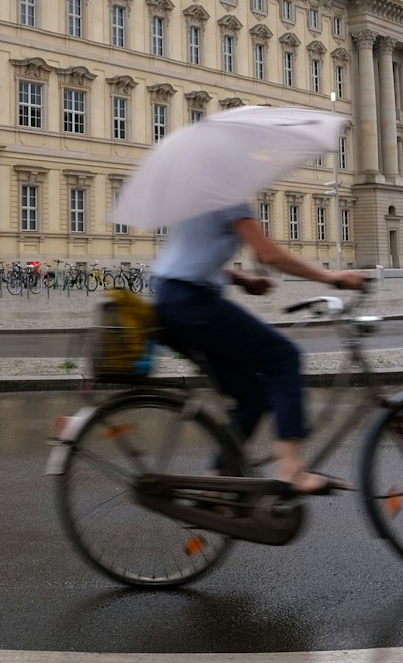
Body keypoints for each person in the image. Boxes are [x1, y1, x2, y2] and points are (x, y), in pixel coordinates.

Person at [150, 202, 366, 495]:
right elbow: (267, 253)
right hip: (194, 304)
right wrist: (331, 277)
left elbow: (192, 260)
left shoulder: (197, 195)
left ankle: (218, 479)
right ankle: (291, 470)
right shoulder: (228, 192)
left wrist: (242, 279)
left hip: (169, 303)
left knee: (253, 396)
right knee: (284, 357)